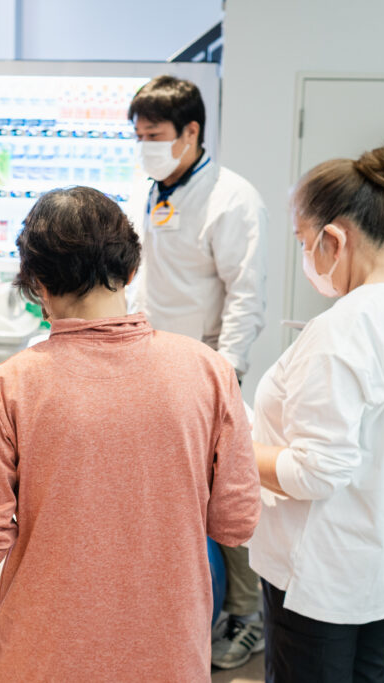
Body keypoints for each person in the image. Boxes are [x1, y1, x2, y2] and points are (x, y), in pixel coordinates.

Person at [0, 187, 261, 682]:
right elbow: (237, 523)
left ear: (37, 285)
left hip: (44, 658)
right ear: (131, 270)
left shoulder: (6, 388)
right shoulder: (209, 372)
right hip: (170, 655)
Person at [247, 147, 384, 683]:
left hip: (320, 574)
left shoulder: (344, 328)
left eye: (303, 243)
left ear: (334, 240)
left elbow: (315, 471)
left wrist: (232, 448)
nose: (304, 256)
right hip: (381, 560)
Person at [127, 74, 268, 669]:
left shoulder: (233, 198)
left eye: (155, 136)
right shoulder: (153, 189)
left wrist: (225, 377)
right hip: (151, 367)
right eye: (138, 136)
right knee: (171, 503)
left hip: (207, 373)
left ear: (191, 131)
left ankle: (247, 617)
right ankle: (179, 612)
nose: (145, 147)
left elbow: (246, 297)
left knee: (223, 499)